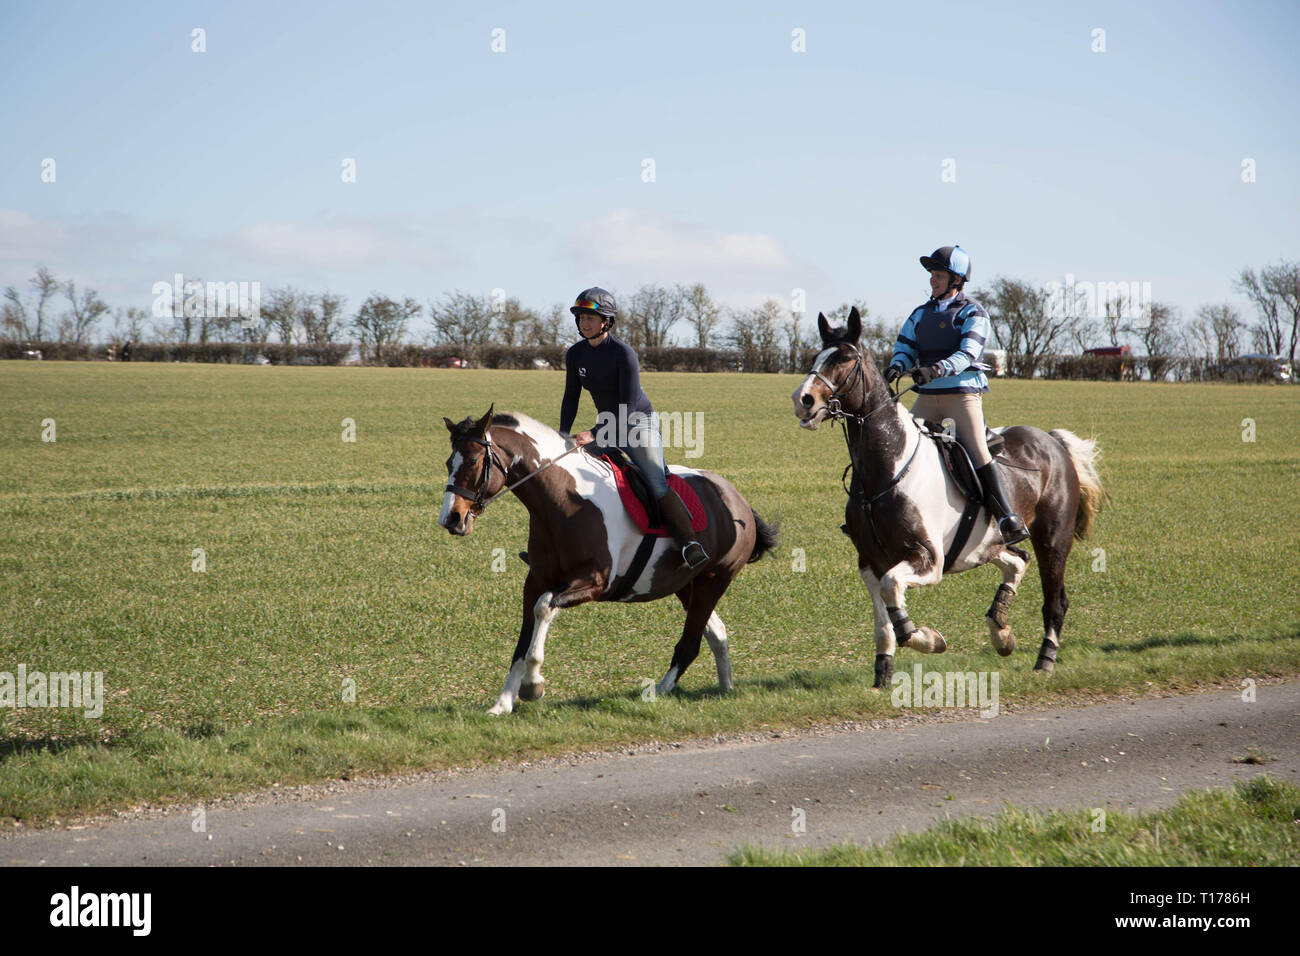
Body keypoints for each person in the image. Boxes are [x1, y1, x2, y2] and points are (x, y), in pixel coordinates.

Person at [885, 246, 1029, 545]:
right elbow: (905, 345)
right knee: (900, 450)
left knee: (978, 451)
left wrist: (937, 369)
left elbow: (968, 352)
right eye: (932, 276)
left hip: (961, 395)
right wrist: (897, 366)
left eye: (938, 275)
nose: (932, 281)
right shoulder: (920, 313)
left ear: (956, 280)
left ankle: (1006, 518)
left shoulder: (973, 312)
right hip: (926, 396)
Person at [559, 287, 709, 568]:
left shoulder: (623, 354)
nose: (584, 323)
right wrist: (562, 434)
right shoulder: (575, 354)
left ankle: (690, 543)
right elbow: (571, 397)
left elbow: (627, 407)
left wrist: (594, 433)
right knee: (568, 473)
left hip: (637, 422)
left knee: (655, 481)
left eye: (591, 317)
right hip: (606, 423)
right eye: (581, 317)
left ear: (606, 321)